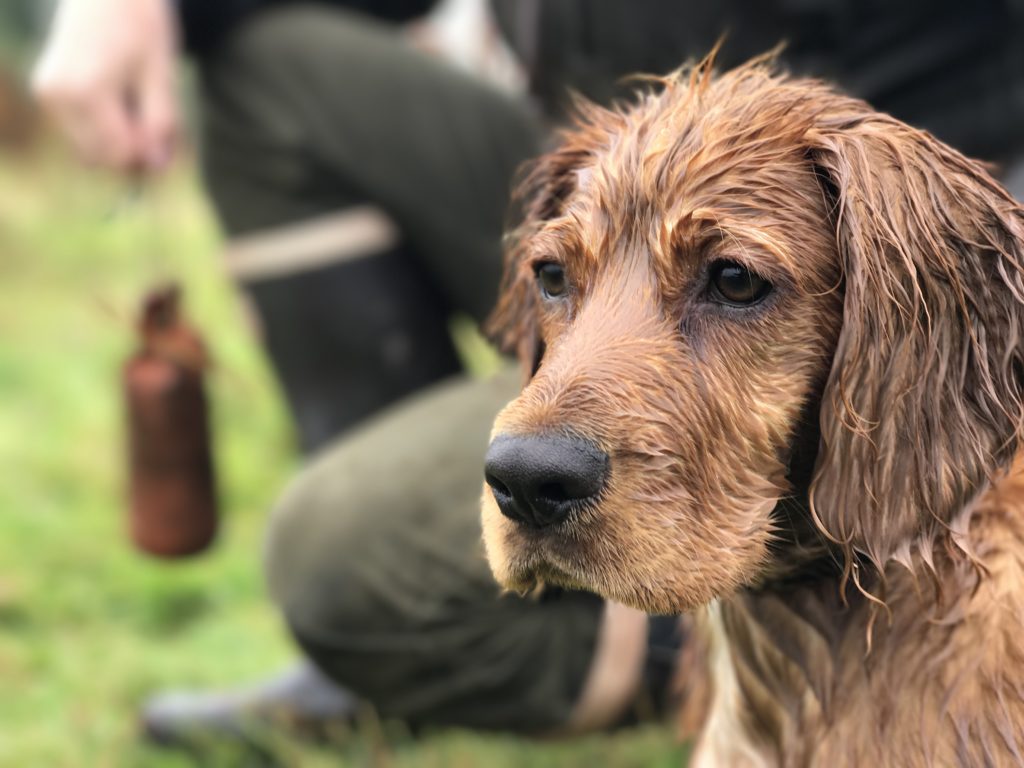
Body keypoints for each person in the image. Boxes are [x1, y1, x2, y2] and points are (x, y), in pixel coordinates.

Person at [33, 0, 1024, 750]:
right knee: (265, 63)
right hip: (602, 149)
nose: (525, 442)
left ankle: (709, 609)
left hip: (932, 189)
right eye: (554, 280)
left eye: (731, 282)